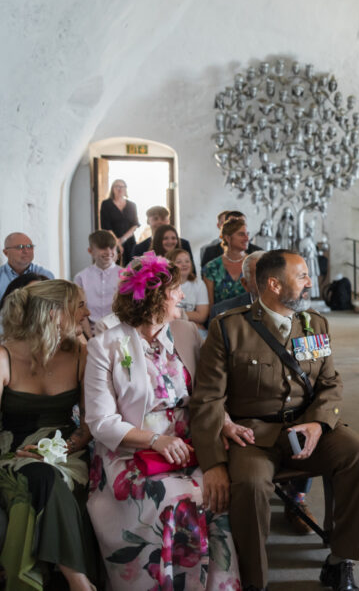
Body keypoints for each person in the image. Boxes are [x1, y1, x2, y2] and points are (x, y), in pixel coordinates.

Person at [191, 249, 359, 591]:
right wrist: (213, 462)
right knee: (251, 484)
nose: (310, 282)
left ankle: (339, 561)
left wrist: (319, 424)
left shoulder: (314, 324)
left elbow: (330, 383)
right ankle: (255, 581)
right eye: (301, 276)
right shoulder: (229, 328)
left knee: (358, 452)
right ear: (274, 284)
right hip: (253, 437)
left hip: (307, 429)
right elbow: (208, 399)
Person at [84, 253, 241, 590]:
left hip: (191, 443)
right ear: (154, 296)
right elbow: (100, 421)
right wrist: (157, 440)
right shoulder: (106, 345)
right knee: (177, 498)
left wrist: (224, 422)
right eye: (176, 291)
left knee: (219, 493)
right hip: (133, 450)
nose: (182, 296)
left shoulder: (185, 332)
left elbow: (206, 395)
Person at [0, 280, 100, 591]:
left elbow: (87, 426)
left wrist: (61, 449)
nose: (87, 312)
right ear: (54, 313)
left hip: (67, 452)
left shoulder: (82, 354)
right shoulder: (4, 354)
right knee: (42, 474)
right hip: (13, 451)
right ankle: (79, 581)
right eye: (79, 305)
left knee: (47, 473)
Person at [74, 230, 120, 327]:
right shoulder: (81, 278)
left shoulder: (125, 275)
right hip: (91, 331)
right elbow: (79, 311)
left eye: (112, 247)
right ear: (90, 251)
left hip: (119, 331)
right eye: (102, 248)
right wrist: (90, 339)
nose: (108, 252)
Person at [202, 218, 250, 305]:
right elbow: (210, 306)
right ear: (227, 238)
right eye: (241, 234)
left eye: (247, 234)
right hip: (220, 317)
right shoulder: (212, 268)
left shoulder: (255, 265)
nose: (247, 238)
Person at [209, 251, 264, 320]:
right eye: (261, 275)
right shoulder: (221, 313)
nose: (270, 281)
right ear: (245, 284)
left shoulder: (281, 308)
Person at [167, 248, 209, 333]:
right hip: (169, 327)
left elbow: (202, 316)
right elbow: (164, 314)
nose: (184, 264)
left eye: (187, 261)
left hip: (192, 327)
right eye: (179, 262)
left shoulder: (199, 284)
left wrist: (176, 315)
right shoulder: (165, 285)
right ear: (170, 266)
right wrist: (191, 319)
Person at [99, 179, 139, 265]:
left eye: (122, 187)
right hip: (111, 241)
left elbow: (135, 224)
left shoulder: (132, 205)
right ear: (112, 189)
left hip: (129, 240)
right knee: (114, 266)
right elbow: (106, 225)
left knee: (131, 268)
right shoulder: (106, 204)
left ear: (125, 189)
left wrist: (123, 239)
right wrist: (117, 243)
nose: (120, 189)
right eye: (117, 186)